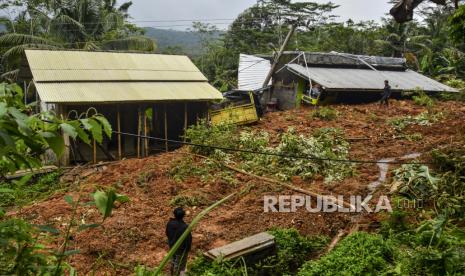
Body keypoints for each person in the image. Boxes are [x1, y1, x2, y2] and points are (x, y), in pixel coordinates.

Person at [166, 207, 192, 276]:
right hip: (181, 249)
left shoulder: (170, 223)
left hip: (172, 246)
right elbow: (188, 239)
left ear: (174, 214)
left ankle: (172, 273)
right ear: (183, 216)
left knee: (173, 260)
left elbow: (167, 233)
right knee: (180, 264)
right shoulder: (184, 227)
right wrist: (187, 249)